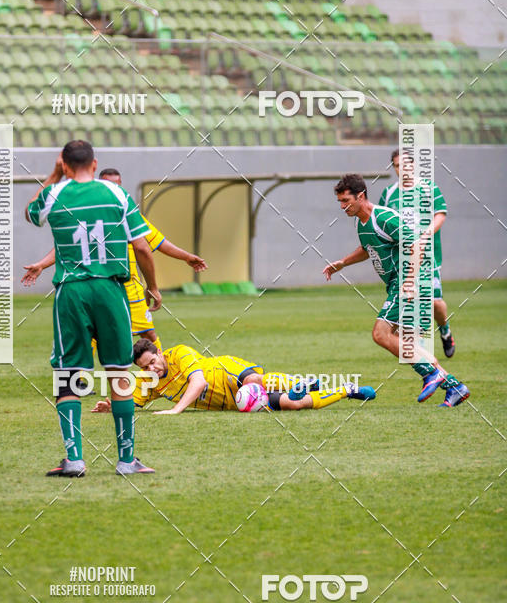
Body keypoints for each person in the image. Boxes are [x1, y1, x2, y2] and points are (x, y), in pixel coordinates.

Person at [25, 140, 161, 477]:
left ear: (66, 165)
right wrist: (153, 286)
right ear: (95, 163)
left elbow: (31, 212)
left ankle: (74, 460)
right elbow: (142, 247)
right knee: (119, 372)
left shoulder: (55, 194)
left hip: (71, 291)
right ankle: (127, 461)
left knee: (68, 375)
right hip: (111, 290)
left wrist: (55, 175)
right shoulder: (116, 195)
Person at [323, 173, 469, 408]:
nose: (342, 207)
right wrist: (342, 263)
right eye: (339, 202)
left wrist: (410, 281)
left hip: (407, 282)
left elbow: (417, 245)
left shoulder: (385, 217)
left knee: (380, 334)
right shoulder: (360, 220)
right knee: (405, 341)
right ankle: (454, 387)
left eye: (345, 201)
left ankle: (431, 375)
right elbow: (367, 248)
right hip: (397, 284)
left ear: (361, 196)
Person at [22, 167, 207, 351]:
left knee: (148, 334)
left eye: (116, 185)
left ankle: (159, 372)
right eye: (108, 184)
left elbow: (157, 242)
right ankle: (79, 377)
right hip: (102, 286)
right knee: (91, 337)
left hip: (130, 289)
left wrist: (187, 257)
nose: (112, 188)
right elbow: (66, 246)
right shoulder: (87, 213)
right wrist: (42, 264)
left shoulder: (128, 214)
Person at [90, 338, 376, 415]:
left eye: (153, 362)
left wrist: (176, 409)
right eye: (145, 368)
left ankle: (302, 384)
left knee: (254, 382)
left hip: (229, 372)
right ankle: (347, 389)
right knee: (294, 405)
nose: (152, 369)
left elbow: (199, 382)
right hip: (232, 402)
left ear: (160, 353)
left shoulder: (178, 353)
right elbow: (134, 402)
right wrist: (112, 405)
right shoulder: (149, 380)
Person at [379, 148, 454, 357]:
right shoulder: (389, 194)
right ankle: (418, 346)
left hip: (429, 256)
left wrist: (424, 235)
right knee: (411, 298)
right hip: (404, 258)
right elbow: (383, 222)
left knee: (435, 303)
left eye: (405, 164)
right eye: (397, 166)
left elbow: (440, 214)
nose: (402, 169)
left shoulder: (428, 188)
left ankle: (445, 331)